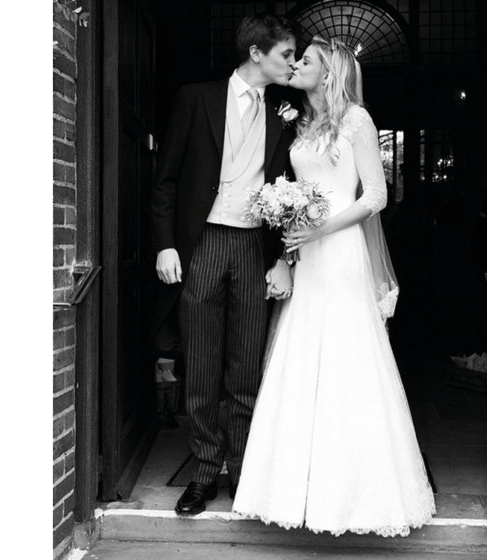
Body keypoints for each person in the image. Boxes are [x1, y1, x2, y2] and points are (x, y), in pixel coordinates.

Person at [232, 36, 436, 537]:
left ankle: (355, 495)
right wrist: (291, 226)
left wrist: (319, 230)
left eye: (306, 61)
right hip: (307, 254)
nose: (297, 64)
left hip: (340, 253)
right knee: (302, 356)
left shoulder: (357, 121)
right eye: (295, 59)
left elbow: (377, 196)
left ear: (329, 73)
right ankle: (290, 489)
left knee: (348, 357)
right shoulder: (298, 123)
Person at [150, 15, 298, 516]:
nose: (292, 64)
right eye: (285, 55)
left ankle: (240, 469)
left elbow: (293, 191)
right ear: (256, 53)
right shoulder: (196, 97)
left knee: (245, 363)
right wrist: (166, 244)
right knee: (201, 364)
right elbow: (166, 178)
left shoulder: (285, 110)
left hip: (254, 245)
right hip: (204, 242)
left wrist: (284, 256)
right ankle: (205, 471)